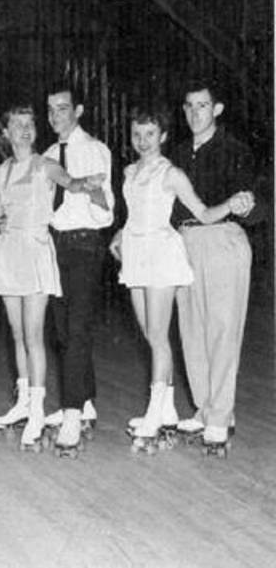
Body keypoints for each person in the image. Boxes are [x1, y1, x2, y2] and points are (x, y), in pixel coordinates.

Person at [108, 108, 247, 454]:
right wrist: (120, 234)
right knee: (148, 335)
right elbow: (135, 212)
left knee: (158, 337)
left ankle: (155, 412)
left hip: (161, 254)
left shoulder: (172, 174)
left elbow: (202, 213)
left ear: (164, 136)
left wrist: (230, 204)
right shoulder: (129, 171)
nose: (142, 141)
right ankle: (166, 409)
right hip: (136, 254)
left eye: (150, 134)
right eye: (137, 134)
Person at [0, 106, 105, 455]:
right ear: (5, 133)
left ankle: (37, 410)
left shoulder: (45, 165)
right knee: (17, 334)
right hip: (8, 253)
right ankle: (23, 400)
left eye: (30, 125)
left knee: (34, 334)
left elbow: (70, 182)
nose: (25, 130)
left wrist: (87, 184)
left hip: (35, 251)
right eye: (17, 125)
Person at [170, 79, 260, 456]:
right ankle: (205, 407)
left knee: (222, 329)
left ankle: (221, 416)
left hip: (223, 240)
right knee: (192, 328)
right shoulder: (174, 154)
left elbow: (251, 201)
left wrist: (246, 203)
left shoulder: (236, 151)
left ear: (217, 110)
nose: (194, 113)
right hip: (184, 242)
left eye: (202, 106)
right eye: (189, 106)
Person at [38, 84, 115, 454]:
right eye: (51, 110)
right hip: (54, 245)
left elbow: (107, 209)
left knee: (78, 328)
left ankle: (71, 413)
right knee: (64, 331)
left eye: (63, 109)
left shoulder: (96, 150)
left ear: (79, 110)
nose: (55, 116)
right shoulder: (49, 154)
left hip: (85, 244)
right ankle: (84, 401)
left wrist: (87, 188)